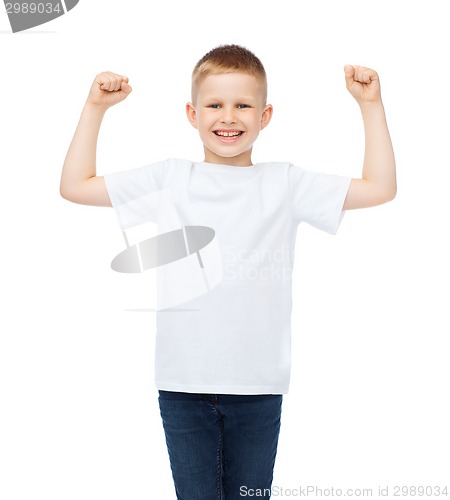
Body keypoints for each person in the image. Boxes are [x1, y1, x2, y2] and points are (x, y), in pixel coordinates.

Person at [60, 44, 396, 499]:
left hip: (257, 385)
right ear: (192, 113)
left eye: (243, 105)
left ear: (265, 115)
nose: (229, 117)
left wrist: (370, 105)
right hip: (183, 384)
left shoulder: (285, 183)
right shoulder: (170, 179)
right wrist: (95, 107)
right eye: (215, 105)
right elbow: (75, 187)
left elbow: (380, 188)